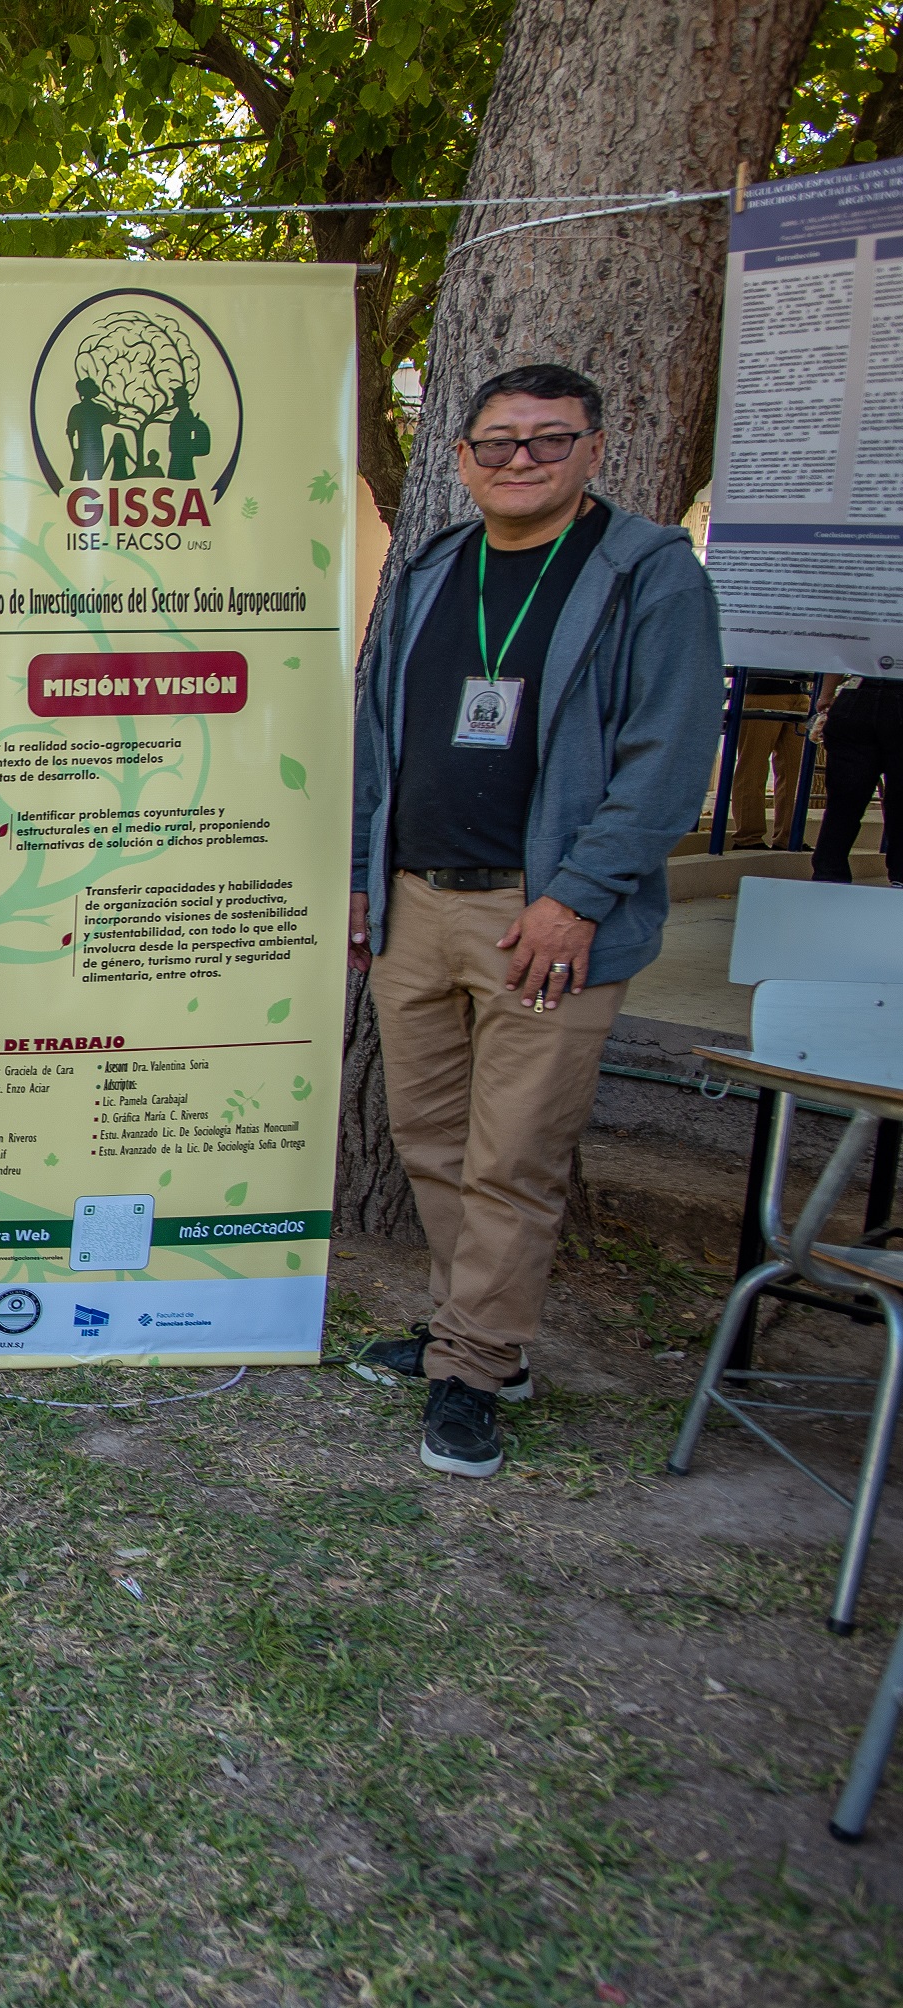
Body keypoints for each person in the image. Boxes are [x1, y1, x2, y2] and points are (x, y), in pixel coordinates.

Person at [349, 363, 723, 1480]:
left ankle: (471, 1370)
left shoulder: (644, 577)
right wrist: (367, 874)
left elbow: (666, 759)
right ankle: (474, 1333)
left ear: (594, 449)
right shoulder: (429, 571)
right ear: (459, 459)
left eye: (546, 440)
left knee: (512, 1155)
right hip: (414, 901)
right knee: (426, 1135)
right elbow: (378, 735)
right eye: (496, 443)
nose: (519, 460)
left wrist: (576, 899)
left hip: (544, 917)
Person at [810, 672, 902, 884]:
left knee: (843, 801)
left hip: (857, 696)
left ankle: (829, 873)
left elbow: (839, 653)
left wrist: (825, 697)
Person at [726, 671, 816, 849]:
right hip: (760, 690)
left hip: (800, 691)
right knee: (753, 765)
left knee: (795, 772)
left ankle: (789, 836)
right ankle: (748, 838)